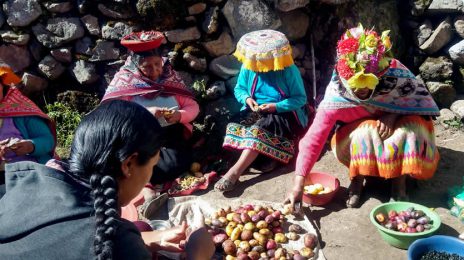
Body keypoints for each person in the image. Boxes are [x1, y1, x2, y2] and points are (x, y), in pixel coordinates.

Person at [0, 100, 214, 260]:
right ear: (129, 164)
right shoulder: (117, 245)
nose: (150, 174)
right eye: (152, 166)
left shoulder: (20, 183)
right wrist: (198, 254)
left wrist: (144, 239)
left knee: (140, 226)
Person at [285, 25, 440, 208]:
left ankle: (399, 184)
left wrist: (392, 115)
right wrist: (299, 183)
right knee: (364, 132)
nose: (362, 90)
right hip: (361, 138)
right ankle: (357, 178)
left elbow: (418, 105)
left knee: (410, 131)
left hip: (398, 126)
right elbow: (313, 140)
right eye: (356, 86)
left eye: (367, 83)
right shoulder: (336, 96)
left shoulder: (394, 74)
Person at [215, 30, 309, 192]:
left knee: (259, 130)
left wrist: (276, 106)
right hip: (256, 109)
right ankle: (257, 161)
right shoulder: (249, 66)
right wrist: (246, 99)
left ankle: (234, 172)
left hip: (283, 112)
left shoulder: (288, 70)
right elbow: (240, 88)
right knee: (233, 124)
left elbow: (300, 98)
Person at [102, 31, 199, 186]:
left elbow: (192, 107)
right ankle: (143, 183)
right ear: (136, 66)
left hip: (169, 138)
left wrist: (179, 115)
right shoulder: (125, 81)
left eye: (157, 64)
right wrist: (144, 113)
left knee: (173, 165)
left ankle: (141, 180)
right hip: (137, 139)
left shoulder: (169, 77)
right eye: (147, 66)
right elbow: (113, 113)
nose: (154, 71)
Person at [0, 63, 55, 185]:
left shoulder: (21, 110)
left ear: (3, 86)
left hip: (31, 175)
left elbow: (47, 140)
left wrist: (31, 146)